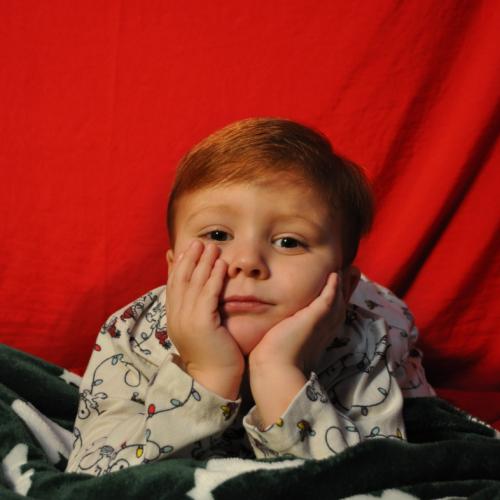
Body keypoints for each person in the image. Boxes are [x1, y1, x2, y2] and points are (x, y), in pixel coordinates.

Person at [66, 118, 434, 476]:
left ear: (344, 286)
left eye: (289, 242)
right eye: (218, 235)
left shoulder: (366, 342)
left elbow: (374, 483)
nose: (247, 261)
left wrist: (280, 373)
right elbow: (96, 480)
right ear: (173, 267)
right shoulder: (130, 334)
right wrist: (207, 373)